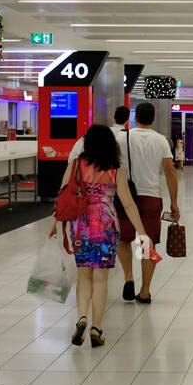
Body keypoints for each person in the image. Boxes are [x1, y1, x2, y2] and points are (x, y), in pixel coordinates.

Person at [49, 124, 148, 349]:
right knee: (101, 278)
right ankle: (97, 328)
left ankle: (82, 317)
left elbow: (62, 195)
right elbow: (129, 204)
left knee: (84, 275)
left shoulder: (76, 166)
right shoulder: (116, 170)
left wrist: (55, 222)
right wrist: (141, 232)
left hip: (81, 224)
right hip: (105, 224)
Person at [116, 102, 179, 304]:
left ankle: (128, 277)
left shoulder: (121, 137)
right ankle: (144, 290)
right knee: (147, 241)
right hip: (152, 196)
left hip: (126, 195)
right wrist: (174, 202)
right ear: (152, 119)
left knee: (123, 240)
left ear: (135, 118)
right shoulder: (161, 140)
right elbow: (170, 171)